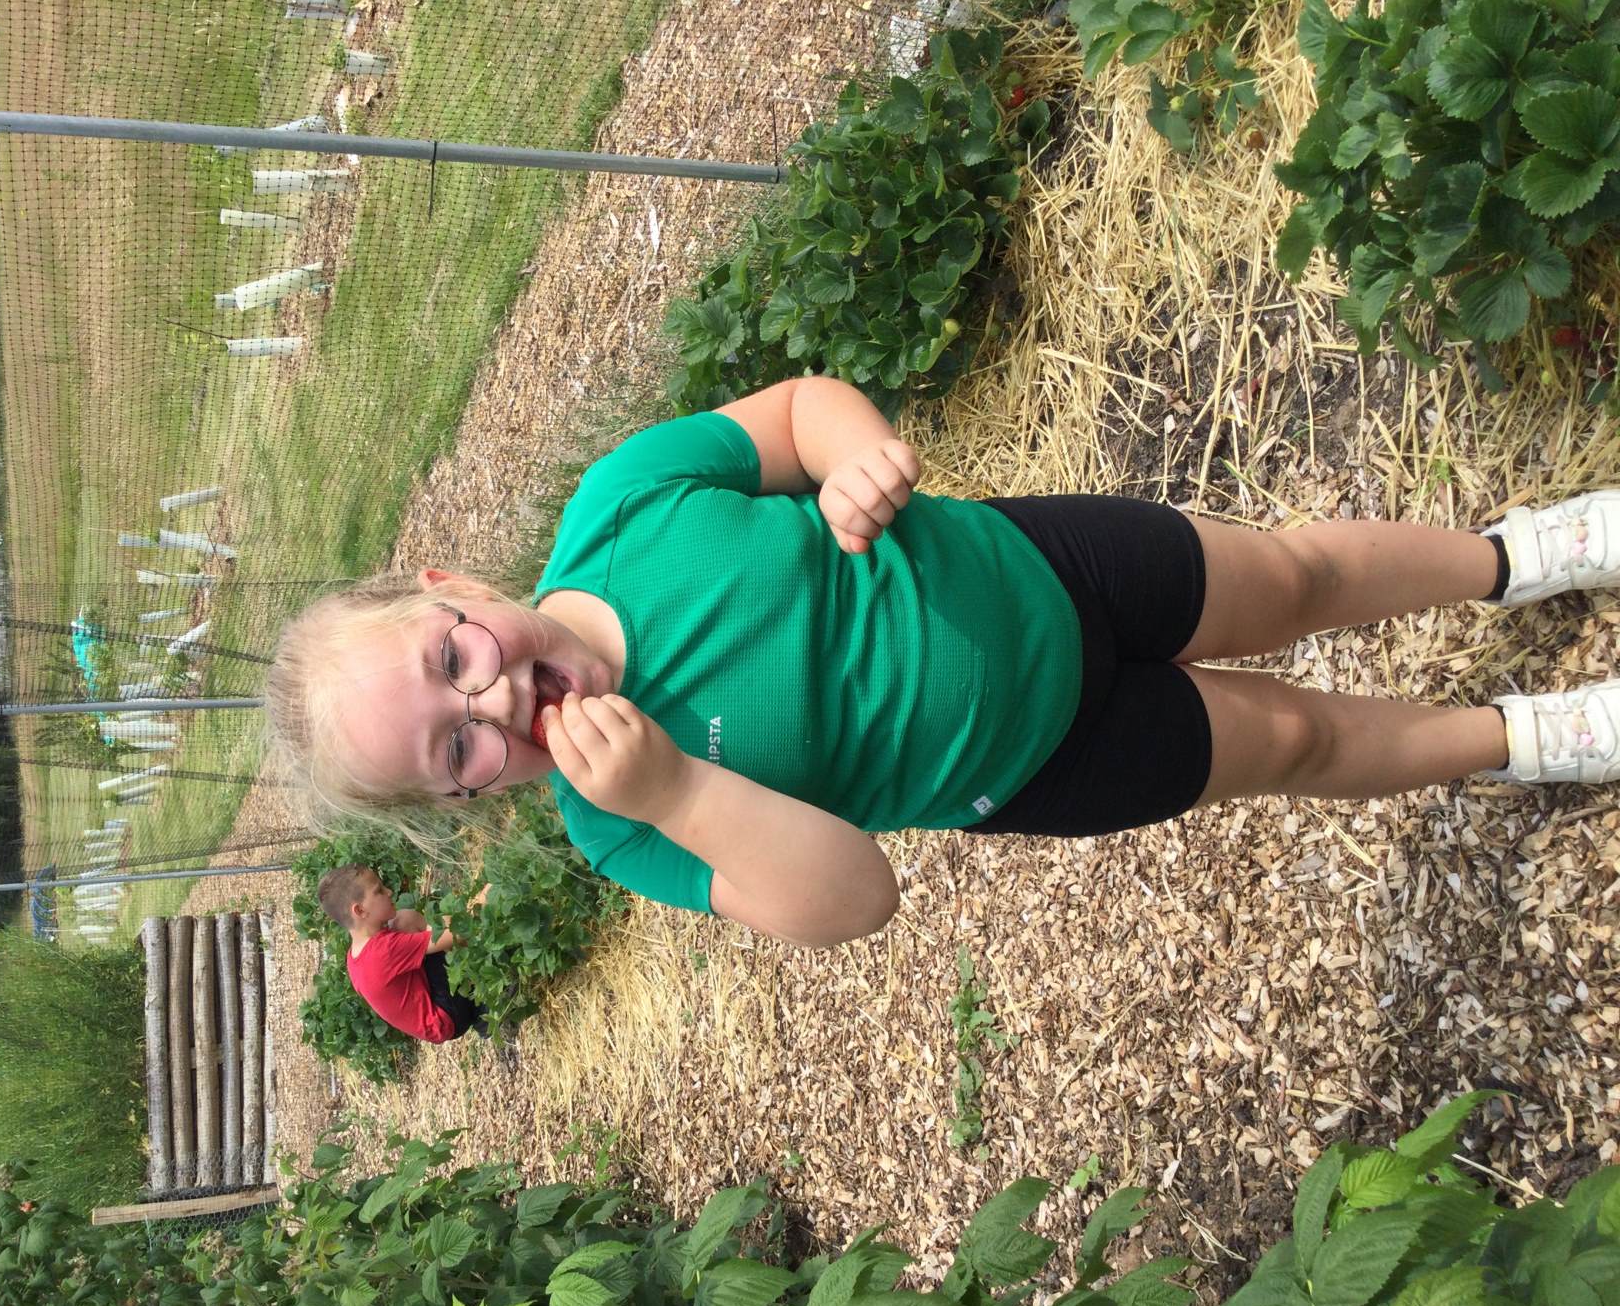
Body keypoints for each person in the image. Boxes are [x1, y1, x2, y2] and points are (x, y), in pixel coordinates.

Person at [269, 374, 1620, 948]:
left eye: (453, 656)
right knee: (1291, 742)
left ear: (453, 589)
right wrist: (677, 791)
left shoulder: (625, 509)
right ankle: (1522, 737)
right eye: (458, 746)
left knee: (1294, 578)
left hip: (1042, 565)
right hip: (1038, 763)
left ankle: (1510, 556)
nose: (495, 697)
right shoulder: (623, 828)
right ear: (469, 798)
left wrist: (858, 454)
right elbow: (857, 897)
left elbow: (798, 413)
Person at [319, 865, 485, 1043]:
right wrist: (483, 899)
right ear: (360, 911)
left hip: (436, 1021)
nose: (389, 892)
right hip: (448, 1018)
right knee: (439, 928)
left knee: (403, 922)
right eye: (379, 891)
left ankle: (475, 990)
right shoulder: (384, 951)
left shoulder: (355, 956)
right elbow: (456, 934)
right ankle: (482, 1002)